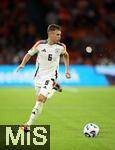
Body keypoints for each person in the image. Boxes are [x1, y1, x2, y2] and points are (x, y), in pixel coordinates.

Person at [16, 24, 71, 132]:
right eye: (57, 34)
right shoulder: (40, 44)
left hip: (50, 77)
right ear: (50, 34)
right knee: (43, 100)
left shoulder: (61, 46)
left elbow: (66, 55)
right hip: (38, 78)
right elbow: (29, 54)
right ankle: (54, 88)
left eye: (60, 34)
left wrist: (67, 70)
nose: (59, 37)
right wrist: (23, 64)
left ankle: (27, 124)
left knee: (40, 99)